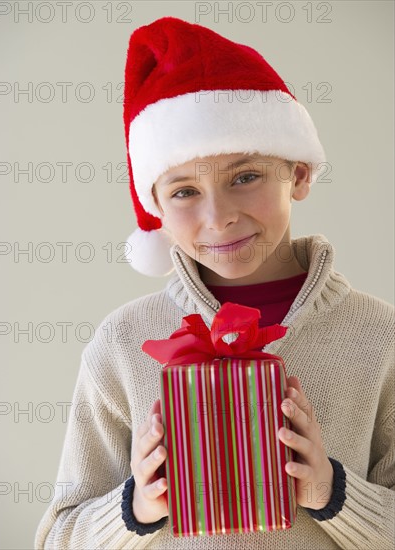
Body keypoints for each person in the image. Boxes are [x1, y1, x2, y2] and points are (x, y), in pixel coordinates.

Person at [35, 16, 394, 549]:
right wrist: (136, 508)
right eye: (183, 191)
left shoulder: (378, 335)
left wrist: (331, 491)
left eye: (245, 177)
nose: (218, 217)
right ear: (154, 205)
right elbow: (58, 536)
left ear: (297, 175)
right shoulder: (122, 342)